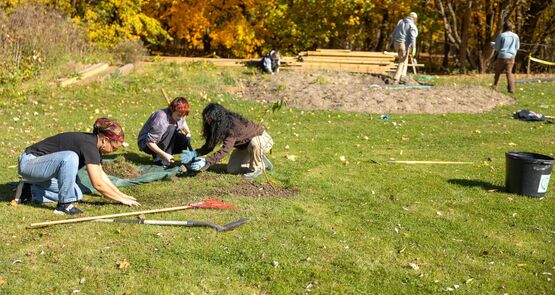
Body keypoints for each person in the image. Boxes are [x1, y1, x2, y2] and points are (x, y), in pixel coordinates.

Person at [16, 118, 140, 215]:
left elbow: (101, 175)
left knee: (76, 194)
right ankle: (63, 206)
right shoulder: (88, 145)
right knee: (70, 157)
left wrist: (121, 194)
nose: (112, 151)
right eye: (113, 148)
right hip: (29, 163)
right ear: (105, 140)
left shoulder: (94, 145)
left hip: (43, 171)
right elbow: (98, 184)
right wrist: (120, 200)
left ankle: (31, 189)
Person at [181, 103, 274, 179]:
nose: (208, 122)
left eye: (210, 120)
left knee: (255, 143)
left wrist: (207, 161)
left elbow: (225, 150)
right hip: (245, 147)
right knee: (232, 169)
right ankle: (261, 162)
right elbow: (210, 146)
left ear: (218, 119)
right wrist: (196, 153)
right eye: (206, 120)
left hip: (262, 140)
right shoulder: (216, 126)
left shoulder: (233, 127)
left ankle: (256, 168)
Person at [137, 96, 192, 166]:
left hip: (161, 138)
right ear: (172, 110)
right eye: (179, 115)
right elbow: (149, 141)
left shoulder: (179, 114)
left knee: (184, 140)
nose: (181, 118)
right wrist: (164, 155)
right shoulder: (161, 120)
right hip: (146, 144)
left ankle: (165, 155)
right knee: (171, 128)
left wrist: (188, 132)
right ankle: (160, 160)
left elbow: (183, 121)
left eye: (183, 116)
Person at [391, 12, 418, 84]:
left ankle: (403, 76)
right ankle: (396, 79)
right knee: (401, 61)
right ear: (414, 19)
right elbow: (413, 38)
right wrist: (414, 48)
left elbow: (393, 34)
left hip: (396, 43)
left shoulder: (400, 22)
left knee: (405, 59)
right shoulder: (412, 26)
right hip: (403, 45)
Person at [492, 22, 520, 93]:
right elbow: (517, 47)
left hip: (502, 56)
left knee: (498, 71)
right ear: (512, 28)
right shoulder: (516, 36)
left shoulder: (501, 35)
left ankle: (494, 86)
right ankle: (511, 89)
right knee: (509, 72)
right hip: (511, 57)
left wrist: (493, 45)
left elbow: (497, 48)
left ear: (504, 28)